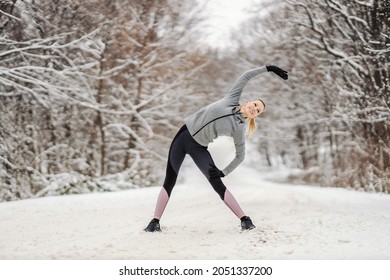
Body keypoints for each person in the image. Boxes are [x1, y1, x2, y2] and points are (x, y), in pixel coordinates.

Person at [144, 65, 288, 232]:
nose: (254, 108)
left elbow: (240, 156)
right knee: (170, 179)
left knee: (216, 181)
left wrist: (224, 171)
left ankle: (245, 219)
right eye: (255, 104)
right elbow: (246, 76)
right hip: (183, 136)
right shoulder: (231, 99)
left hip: (199, 148)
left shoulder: (239, 129)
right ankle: (154, 222)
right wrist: (268, 68)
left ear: (255, 116)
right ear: (248, 101)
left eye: (257, 111)